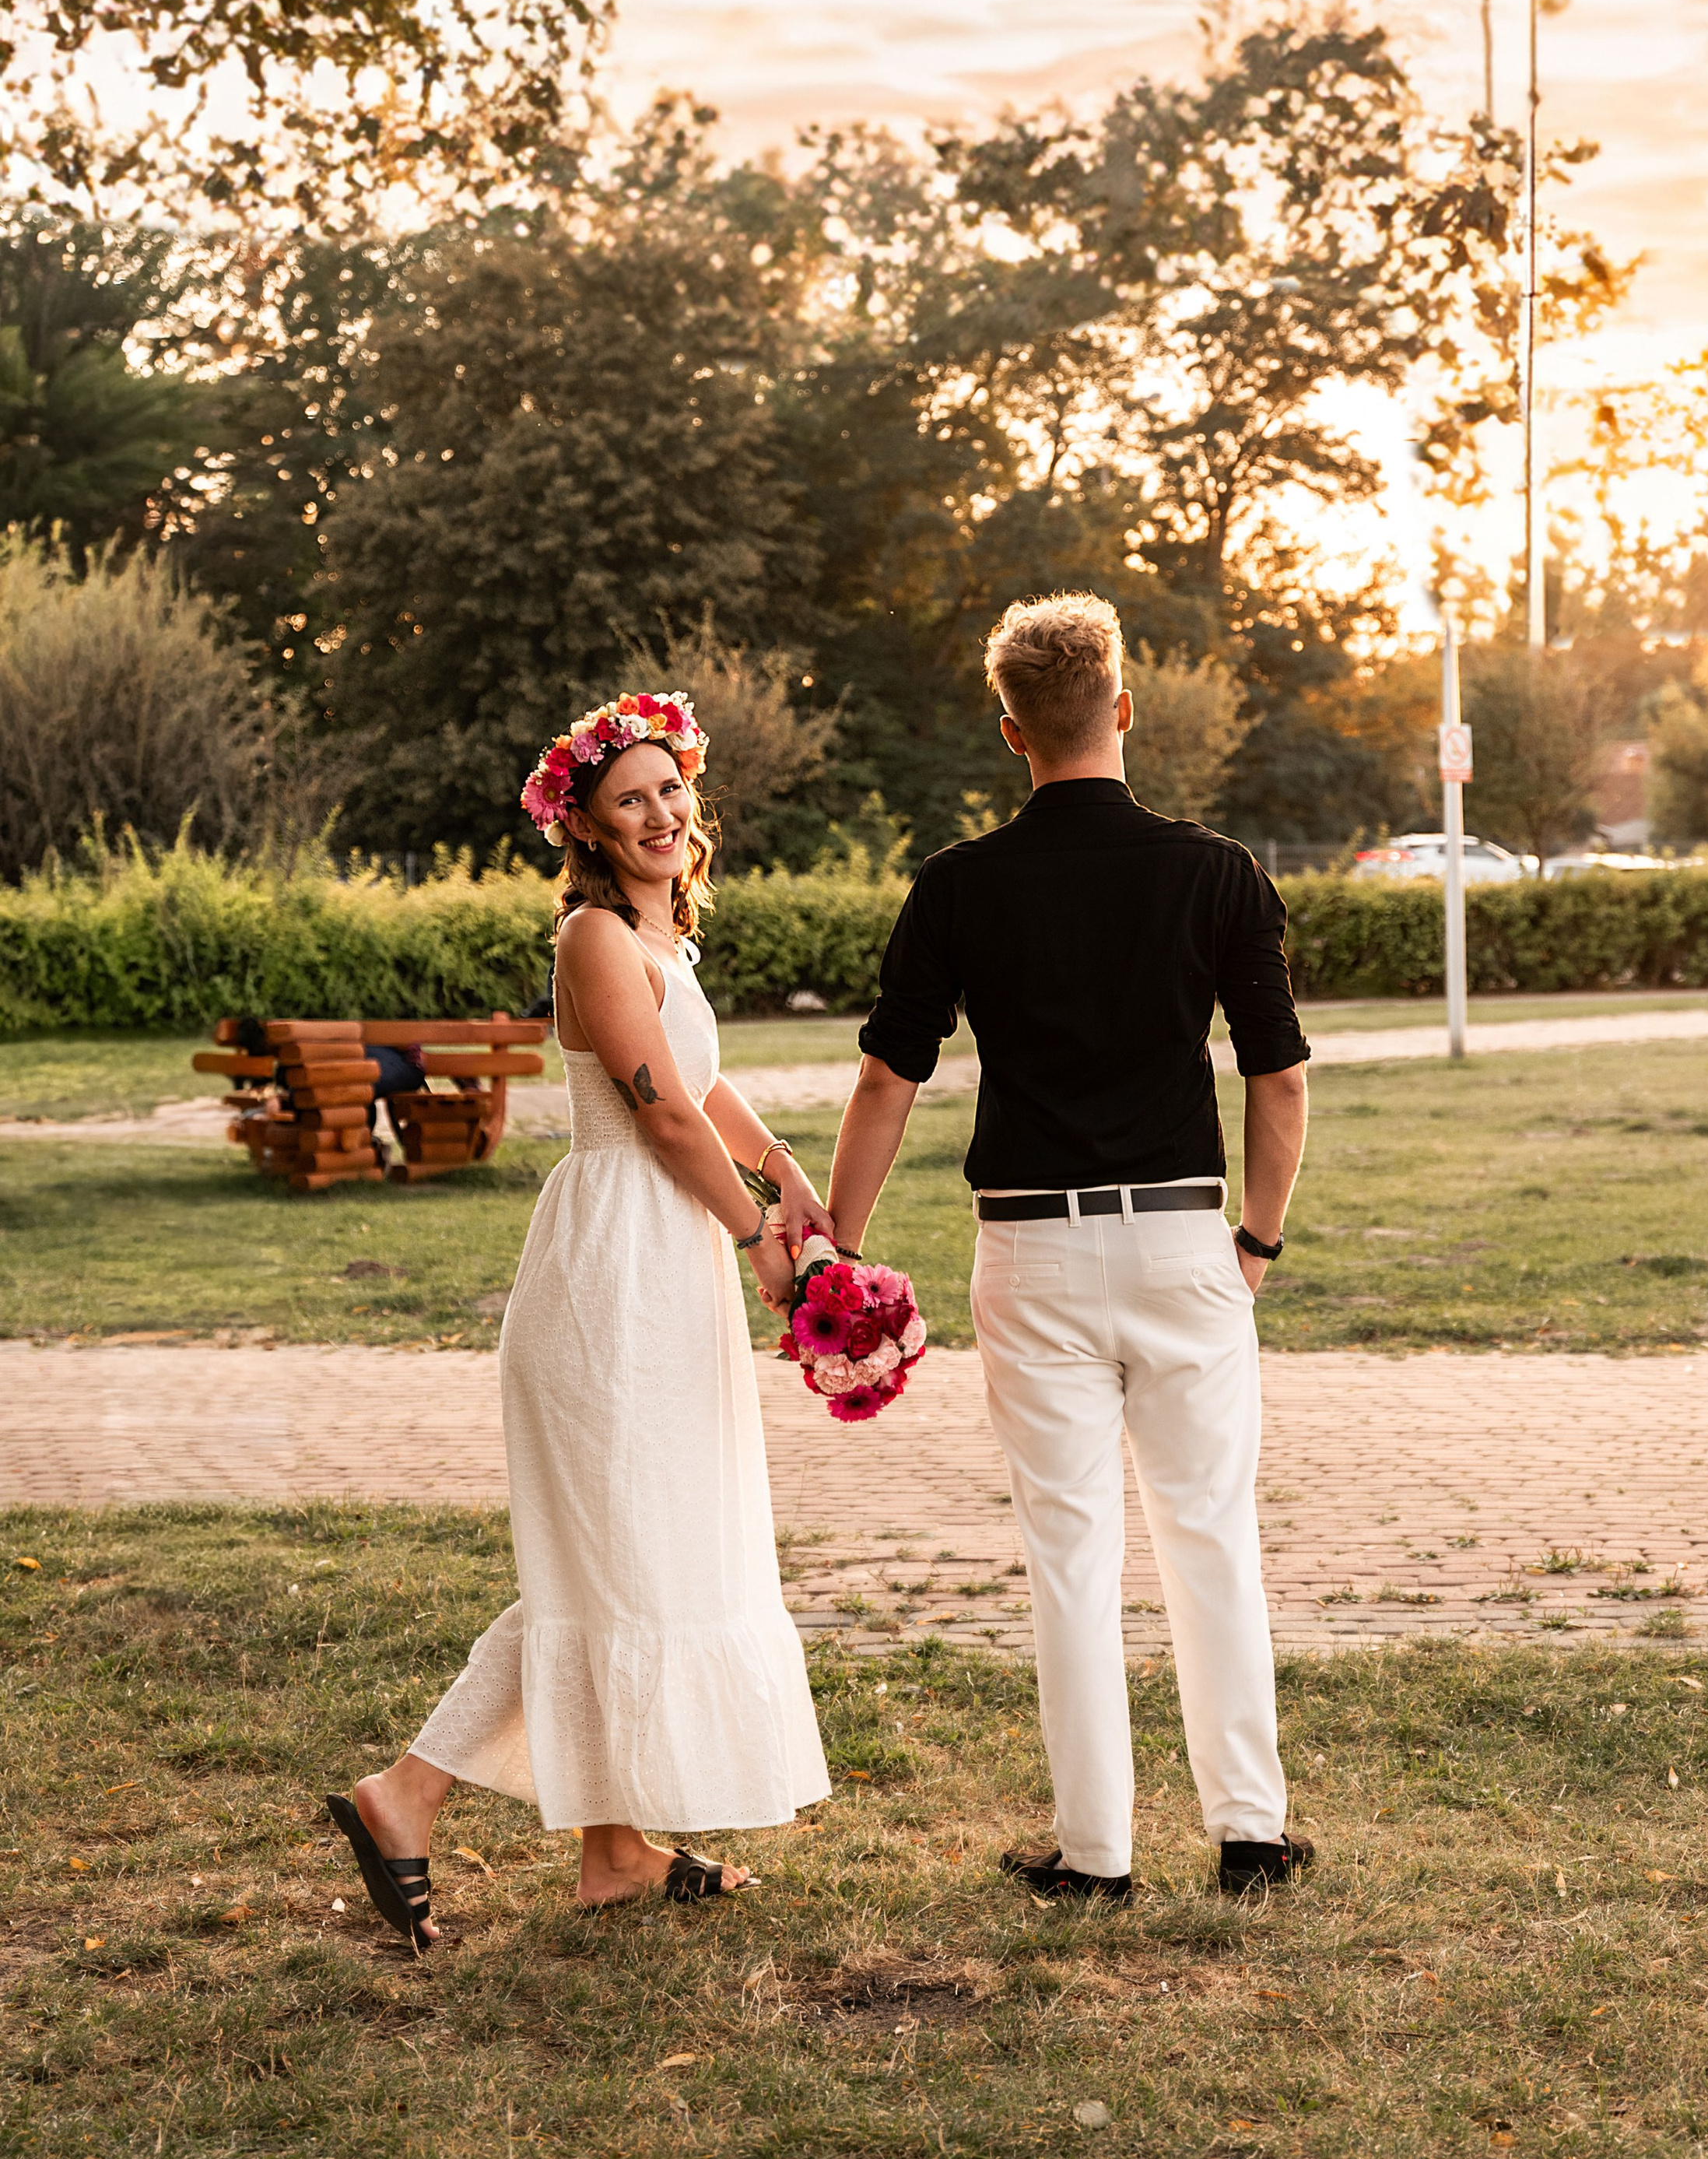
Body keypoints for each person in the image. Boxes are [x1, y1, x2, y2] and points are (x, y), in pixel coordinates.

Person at [826, 594, 1313, 1902]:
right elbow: (1277, 1083)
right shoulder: (1217, 872)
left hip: (1030, 1253)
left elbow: (889, 1081)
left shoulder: (960, 886)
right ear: (1126, 710)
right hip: (1181, 1237)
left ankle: (1095, 1857)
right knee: (1211, 1532)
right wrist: (1254, 1243)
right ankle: (1251, 1836)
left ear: (1009, 732)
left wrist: (841, 1256)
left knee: (1070, 1550)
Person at [328, 690, 831, 1947]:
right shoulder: (594, 941)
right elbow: (659, 1117)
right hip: (615, 1275)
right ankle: (405, 1794)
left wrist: (785, 1171)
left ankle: (615, 1857)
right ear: (590, 827)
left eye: (670, 789)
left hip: (669, 1271)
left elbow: (705, 1098)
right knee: (605, 1564)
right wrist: (758, 1234)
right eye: (630, 800)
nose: (660, 814)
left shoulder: (664, 943)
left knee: (644, 1556)